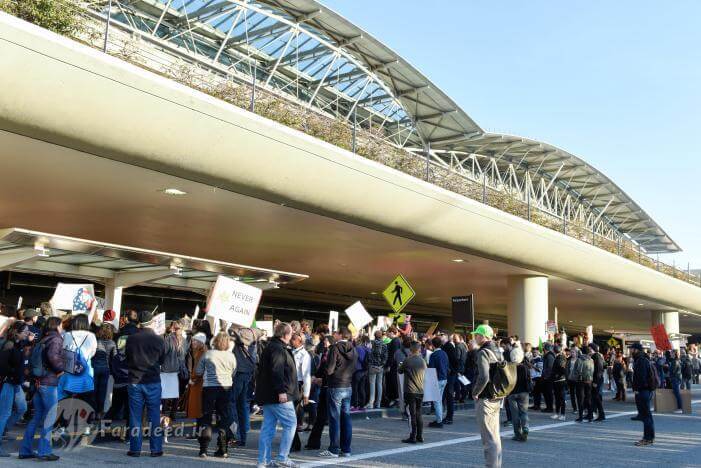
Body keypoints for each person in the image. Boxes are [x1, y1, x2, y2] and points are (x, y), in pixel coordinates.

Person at [19, 316, 65, 461]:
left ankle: (25, 450)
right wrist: (60, 369)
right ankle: (44, 451)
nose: (62, 327)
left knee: (36, 417)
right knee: (50, 417)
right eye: (61, 324)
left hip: (38, 381)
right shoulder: (56, 339)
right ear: (57, 325)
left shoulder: (43, 338)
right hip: (49, 382)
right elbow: (53, 356)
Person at [256, 322, 299, 468]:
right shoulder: (278, 348)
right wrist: (281, 391)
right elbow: (277, 370)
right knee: (291, 424)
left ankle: (264, 461)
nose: (292, 335)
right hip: (278, 395)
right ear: (285, 334)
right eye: (291, 333)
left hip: (269, 394)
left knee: (268, 428)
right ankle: (282, 457)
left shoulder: (272, 346)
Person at [125, 310, 166, 457]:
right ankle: (156, 449)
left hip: (135, 380)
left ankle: (135, 449)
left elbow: (127, 358)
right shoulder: (159, 339)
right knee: (154, 415)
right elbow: (162, 360)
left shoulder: (131, 339)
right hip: (153, 380)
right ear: (152, 322)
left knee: (135, 416)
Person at [195, 332, 236, 458]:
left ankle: (203, 449)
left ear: (215, 341)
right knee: (224, 417)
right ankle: (223, 449)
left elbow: (198, 371)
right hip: (226, 388)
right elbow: (233, 372)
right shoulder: (231, 356)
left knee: (206, 417)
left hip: (209, 388)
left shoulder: (208, 354)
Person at [319, 327, 357, 458]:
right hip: (348, 386)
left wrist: (324, 367)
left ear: (341, 335)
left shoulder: (334, 348)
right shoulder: (353, 349)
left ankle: (334, 449)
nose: (334, 335)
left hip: (335, 385)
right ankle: (346, 449)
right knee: (346, 418)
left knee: (334, 418)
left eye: (336, 333)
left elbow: (329, 369)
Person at [471, 324, 502, 468]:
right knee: (494, 436)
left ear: (484, 336)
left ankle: (491, 466)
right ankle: (496, 464)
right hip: (496, 395)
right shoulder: (497, 350)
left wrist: (475, 392)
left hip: (486, 397)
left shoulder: (483, 352)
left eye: (477, 334)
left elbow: (483, 376)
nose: (475, 337)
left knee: (488, 438)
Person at [60, 313, 98, 429]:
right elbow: (93, 353)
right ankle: (86, 425)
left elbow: (63, 351)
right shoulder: (91, 336)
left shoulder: (67, 335)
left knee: (67, 398)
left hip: (69, 370)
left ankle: (63, 425)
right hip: (85, 371)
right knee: (87, 399)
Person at [230, 325, 263, 447]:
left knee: (233, 404)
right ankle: (242, 435)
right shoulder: (254, 333)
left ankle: (236, 435)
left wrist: (231, 327)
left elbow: (232, 333)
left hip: (239, 372)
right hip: (248, 372)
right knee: (242, 406)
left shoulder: (243, 333)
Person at [0, 321, 30, 457]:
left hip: (16, 383)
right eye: (25, 331)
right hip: (8, 382)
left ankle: (4, 430)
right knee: (4, 414)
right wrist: (14, 375)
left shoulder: (18, 344)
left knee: (22, 408)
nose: (28, 333)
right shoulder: (9, 345)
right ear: (17, 332)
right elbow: (3, 366)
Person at [305, 335, 334, 451]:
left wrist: (320, 379)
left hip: (329, 388)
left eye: (327, 342)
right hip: (325, 387)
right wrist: (315, 377)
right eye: (324, 342)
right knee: (321, 417)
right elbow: (321, 369)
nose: (325, 344)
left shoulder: (331, 353)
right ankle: (314, 442)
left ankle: (335, 445)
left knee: (328, 417)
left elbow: (329, 371)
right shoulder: (326, 353)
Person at [398, 341, 426, 444]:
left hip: (410, 390)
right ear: (419, 349)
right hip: (420, 390)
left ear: (410, 349)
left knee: (412, 414)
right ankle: (420, 435)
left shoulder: (407, 360)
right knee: (419, 413)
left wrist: (401, 365)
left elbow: (399, 371)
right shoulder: (423, 361)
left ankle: (413, 436)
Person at [630, 343, 655, 446]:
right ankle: (649, 437)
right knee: (646, 415)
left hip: (643, 391)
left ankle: (647, 438)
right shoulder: (642, 359)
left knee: (646, 416)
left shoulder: (641, 361)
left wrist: (637, 389)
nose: (630, 351)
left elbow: (641, 377)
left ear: (636, 350)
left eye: (632, 349)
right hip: (645, 390)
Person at [290, 332, 311, 452]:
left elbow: (306, 376)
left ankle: (295, 443)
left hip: (297, 386)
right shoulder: (291, 351)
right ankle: (294, 441)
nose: (292, 340)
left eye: (294, 339)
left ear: (300, 341)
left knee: (292, 416)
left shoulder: (304, 355)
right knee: (290, 416)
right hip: (290, 385)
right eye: (292, 338)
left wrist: (306, 394)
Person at [92, 323, 117, 423]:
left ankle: (92, 412)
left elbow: (91, 354)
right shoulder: (112, 343)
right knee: (102, 391)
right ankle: (99, 413)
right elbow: (115, 358)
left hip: (95, 368)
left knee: (94, 391)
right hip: (106, 369)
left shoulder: (96, 341)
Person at [507, 342, 530, 441]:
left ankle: (517, 434)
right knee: (523, 412)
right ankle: (525, 428)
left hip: (512, 393)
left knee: (515, 414)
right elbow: (528, 380)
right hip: (523, 392)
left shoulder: (508, 367)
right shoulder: (524, 367)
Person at [185, 333, 207, 423]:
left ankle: (199, 432)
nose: (193, 342)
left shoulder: (202, 352)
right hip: (198, 382)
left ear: (201, 342)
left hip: (199, 383)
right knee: (199, 408)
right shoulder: (199, 351)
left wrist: (193, 379)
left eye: (195, 341)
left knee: (199, 408)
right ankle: (199, 431)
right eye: (193, 340)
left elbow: (199, 370)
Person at [428, 336, 449, 428]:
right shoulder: (444, 353)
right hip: (444, 378)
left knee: (437, 401)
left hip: (437, 379)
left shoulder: (433, 355)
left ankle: (439, 421)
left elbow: (431, 369)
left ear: (432, 345)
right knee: (439, 400)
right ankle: (439, 419)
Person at [366, 330, 387, 409]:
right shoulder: (385, 345)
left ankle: (371, 403)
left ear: (374, 336)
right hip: (380, 367)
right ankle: (378, 403)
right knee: (379, 384)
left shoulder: (371, 343)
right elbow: (386, 357)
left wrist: (370, 363)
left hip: (372, 366)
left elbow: (369, 354)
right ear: (381, 336)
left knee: (372, 385)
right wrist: (382, 365)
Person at [441, 334, 459, 424]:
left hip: (450, 375)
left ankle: (449, 417)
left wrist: (452, 371)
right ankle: (447, 416)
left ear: (446, 337)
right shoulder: (445, 346)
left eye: (442, 335)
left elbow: (455, 361)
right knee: (447, 396)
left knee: (449, 396)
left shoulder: (449, 347)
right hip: (448, 374)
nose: (440, 336)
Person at [574, 346, 594, 423]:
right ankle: (590, 417)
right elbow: (593, 370)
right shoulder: (591, 360)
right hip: (589, 381)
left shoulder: (579, 360)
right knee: (589, 398)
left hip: (580, 381)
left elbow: (576, 370)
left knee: (580, 399)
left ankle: (581, 417)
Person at [351, 335, 369, 410]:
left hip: (358, 370)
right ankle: (362, 405)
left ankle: (355, 405)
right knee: (362, 388)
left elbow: (356, 359)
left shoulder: (357, 348)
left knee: (355, 388)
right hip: (365, 370)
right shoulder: (367, 349)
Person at [589, 343, 606, 422]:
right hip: (595, 380)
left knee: (596, 397)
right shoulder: (595, 356)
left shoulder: (597, 357)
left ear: (593, 349)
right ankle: (591, 414)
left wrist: (595, 381)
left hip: (597, 380)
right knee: (594, 397)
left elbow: (598, 370)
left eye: (590, 348)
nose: (589, 350)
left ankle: (601, 414)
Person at [550, 345, 567, 421]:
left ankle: (563, 414)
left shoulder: (560, 358)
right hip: (557, 380)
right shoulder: (559, 357)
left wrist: (557, 375)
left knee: (561, 398)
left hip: (561, 381)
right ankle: (557, 413)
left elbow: (562, 369)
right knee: (557, 398)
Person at [540, 343, 555, 413]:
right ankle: (548, 407)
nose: (542, 348)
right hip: (546, 377)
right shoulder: (547, 355)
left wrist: (546, 376)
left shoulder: (549, 356)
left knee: (548, 393)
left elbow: (550, 368)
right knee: (546, 393)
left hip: (548, 378)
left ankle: (550, 408)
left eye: (543, 347)